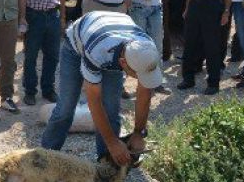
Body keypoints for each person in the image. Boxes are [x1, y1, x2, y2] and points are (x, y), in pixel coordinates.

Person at [41, 11, 158, 166]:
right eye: (137, 75)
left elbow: (145, 93)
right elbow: (94, 100)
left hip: (112, 41)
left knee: (111, 109)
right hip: (77, 46)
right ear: (123, 63)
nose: (140, 78)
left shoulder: (147, 51)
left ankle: (106, 163)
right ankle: (43, 159)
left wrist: (138, 133)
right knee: (66, 108)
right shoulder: (97, 51)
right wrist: (112, 142)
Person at [21, 0, 66, 106]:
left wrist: (63, 17)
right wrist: (22, 18)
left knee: (53, 56)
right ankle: (30, 91)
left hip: (53, 16)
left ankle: (48, 89)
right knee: (31, 56)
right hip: (33, 17)